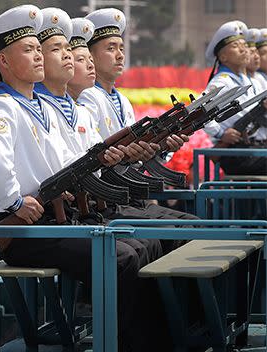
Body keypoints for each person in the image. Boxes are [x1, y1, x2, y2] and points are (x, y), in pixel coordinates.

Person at [0, 6, 157, 352]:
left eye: (37, 48)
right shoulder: (1, 106)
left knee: (139, 246)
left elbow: (67, 160)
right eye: (28, 50)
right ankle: (116, 342)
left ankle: (136, 338)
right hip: (25, 229)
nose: (39, 56)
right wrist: (14, 200)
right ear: (4, 62)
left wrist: (96, 166)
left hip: (56, 217)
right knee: (120, 258)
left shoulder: (39, 106)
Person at [76, 8, 197, 255]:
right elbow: (96, 158)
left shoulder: (121, 101)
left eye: (121, 48)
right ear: (91, 55)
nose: (119, 55)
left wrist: (161, 149)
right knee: (182, 230)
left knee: (191, 225)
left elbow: (136, 156)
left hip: (125, 192)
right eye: (110, 48)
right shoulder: (89, 98)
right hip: (108, 197)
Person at [203, 21, 267, 175]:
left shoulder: (247, 80)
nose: (244, 49)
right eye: (236, 46)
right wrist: (221, 134)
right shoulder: (222, 81)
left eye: (244, 45)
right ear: (223, 57)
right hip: (239, 153)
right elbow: (200, 113)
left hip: (254, 150)